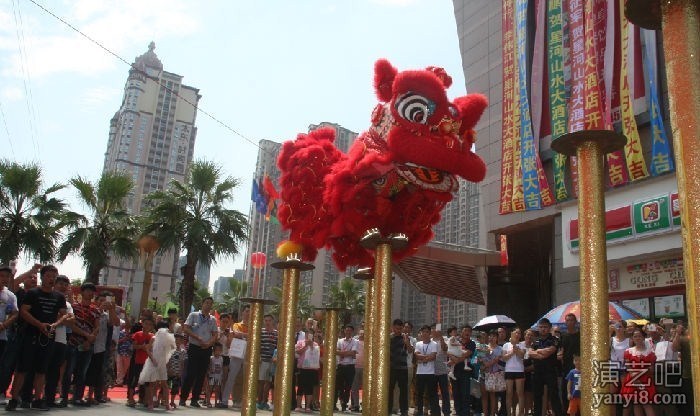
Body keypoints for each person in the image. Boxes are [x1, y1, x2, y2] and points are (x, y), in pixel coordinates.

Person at [5, 265, 66, 411]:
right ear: (43, 276)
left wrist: (54, 324)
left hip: (47, 338)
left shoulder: (59, 297)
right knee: (23, 369)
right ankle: (14, 399)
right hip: (30, 336)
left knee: (42, 370)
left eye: (54, 276)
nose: (52, 279)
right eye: (49, 276)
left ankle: (38, 399)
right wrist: (39, 324)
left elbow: (64, 314)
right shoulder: (33, 293)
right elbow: (24, 312)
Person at [180, 296, 218, 408]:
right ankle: (183, 398)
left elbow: (215, 334)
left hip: (206, 349)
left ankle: (195, 399)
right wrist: (197, 337)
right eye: (206, 303)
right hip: (194, 347)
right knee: (190, 373)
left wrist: (209, 343)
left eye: (210, 303)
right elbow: (186, 328)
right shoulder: (194, 315)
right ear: (202, 303)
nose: (208, 305)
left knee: (201, 375)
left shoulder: (212, 319)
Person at [43, 275, 73, 407]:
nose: (63, 286)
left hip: (61, 341)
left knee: (55, 371)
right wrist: (62, 317)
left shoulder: (68, 305)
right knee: (41, 369)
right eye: (60, 283)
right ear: (54, 284)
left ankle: (49, 398)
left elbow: (71, 322)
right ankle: (35, 396)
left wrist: (60, 318)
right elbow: (49, 316)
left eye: (65, 284)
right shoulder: (47, 298)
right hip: (45, 338)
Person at [138, 320, 175, 410]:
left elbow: (171, 350)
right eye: (165, 328)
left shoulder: (168, 339)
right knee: (152, 384)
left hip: (162, 363)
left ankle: (166, 404)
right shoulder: (154, 338)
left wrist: (167, 362)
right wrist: (153, 359)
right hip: (153, 363)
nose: (166, 330)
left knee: (165, 384)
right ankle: (151, 403)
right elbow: (148, 349)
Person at [529, 318, 563, 416]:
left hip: (550, 371)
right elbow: (530, 353)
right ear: (538, 328)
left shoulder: (554, 339)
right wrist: (541, 353)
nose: (543, 329)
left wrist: (538, 351)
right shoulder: (535, 340)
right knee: (537, 396)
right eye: (541, 327)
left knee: (554, 396)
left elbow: (550, 352)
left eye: (545, 327)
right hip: (537, 372)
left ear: (549, 328)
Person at [621, 328, 656, 416]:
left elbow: (651, 368)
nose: (637, 338)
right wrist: (634, 376)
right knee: (636, 404)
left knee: (646, 404)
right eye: (635, 336)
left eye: (639, 336)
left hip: (645, 379)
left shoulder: (650, 352)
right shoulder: (628, 351)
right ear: (632, 338)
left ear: (644, 337)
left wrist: (640, 373)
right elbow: (628, 366)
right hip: (632, 378)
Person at [222, 304, 249, 409]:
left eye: (250, 311)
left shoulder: (253, 325)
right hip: (237, 353)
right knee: (231, 377)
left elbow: (243, 334)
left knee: (246, 379)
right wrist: (246, 335)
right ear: (242, 312)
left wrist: (242, 335)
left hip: (248, 354)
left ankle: (243, 401)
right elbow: (236, 333)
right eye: (246, 311)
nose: (248, 313)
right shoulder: (237, 324)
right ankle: (225, 400)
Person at [126, 317, 154, 407]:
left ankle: (146, 399)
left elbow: (152, 348)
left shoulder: (152, 336)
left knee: (147, 382)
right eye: (146, 324)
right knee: (134, 380)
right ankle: (130, 398)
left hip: (147, 363)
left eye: (150, 324)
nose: (148, 326)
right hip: (138, 362)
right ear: (142, 324)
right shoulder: (137, 334)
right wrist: (142, 347)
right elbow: (134, 346)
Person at [450, 325, 475, 416]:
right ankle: (458, 411)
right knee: (456, 392)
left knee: (465, 393)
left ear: (471, 333)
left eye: (469, 331)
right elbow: (449, 351)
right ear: (461, 332)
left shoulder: (472, 343)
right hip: (455, 371)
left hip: (466, 372)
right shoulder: (456, 341)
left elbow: (467, 354)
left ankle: (465, 413)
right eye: (465, 331)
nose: (467, 332)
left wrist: (456, 360)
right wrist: (453, 358)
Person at [389, 319, 412, 416]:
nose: (398, 330)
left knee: (404, 390)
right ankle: (388, 409)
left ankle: (404, 411)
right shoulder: (388, 338)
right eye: (396, 328)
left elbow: (410, 351)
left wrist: (407, 342)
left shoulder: (405, 338)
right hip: (391, 368)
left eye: (400, 328)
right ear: (393, 327)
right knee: (390, 389)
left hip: (403, 368)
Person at [295, 327, 321, 413]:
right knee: (300, 387)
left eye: (310, 333)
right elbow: (298, 352)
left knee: (310, 387)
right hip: (302, 368)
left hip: (312, 368)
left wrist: (311, 346)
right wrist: (306, 346)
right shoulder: (300, 342)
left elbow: (317, 355)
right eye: (307, 333)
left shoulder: (316, 345)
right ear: (305, 334)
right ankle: (298, 406)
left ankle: (308, 406)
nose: (308, 335)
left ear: (312, 335)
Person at [558, 313, 580, 412]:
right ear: (565, 322)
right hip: (566, 367)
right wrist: (560, 355)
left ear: (575, 322)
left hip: (579, 367)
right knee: (565, 391)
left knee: (578, 391)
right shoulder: (563, 336)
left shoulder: (580, 335)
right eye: (568, 320)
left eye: (572, 320)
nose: (570, 322)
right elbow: (561, 350)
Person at [481, 330, 505, 416]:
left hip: (495, 375)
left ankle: (492, 414)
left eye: (494, 336)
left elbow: (503, 363)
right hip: (484, 374)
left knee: (493, 395)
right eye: (490, 336)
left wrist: (492, 362)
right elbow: (479, 359)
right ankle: (485, 414)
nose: (491, 338)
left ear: (497, 338)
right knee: (484, 395)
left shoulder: (501, 349)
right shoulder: (483, 347)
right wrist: (484, 363)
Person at [671, 322, 693, 416]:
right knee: (691, 401)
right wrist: (677, 334)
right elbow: (674, 348)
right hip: (688, 374)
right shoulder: (684, 336)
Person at [336, 324, 358, 412]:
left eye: (350, 330)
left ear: (352, 332)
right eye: (346, 330)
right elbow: (336, 351)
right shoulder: (340, 341)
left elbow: (353, 353)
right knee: (340, 386)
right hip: (341, 366)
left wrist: (342, 353)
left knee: (348, 386)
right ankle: (342, 400)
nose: (348, 332)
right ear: (344, 331)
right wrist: (346, 353)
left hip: (350, 367)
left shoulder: (355, 341)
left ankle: (345, 403)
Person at [503, 327, 525, 416]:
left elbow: (521, 356)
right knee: (509, 393)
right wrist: (512, 351)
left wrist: (515, 345)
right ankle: (509, 413)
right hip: (509, 370)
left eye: (519, 333)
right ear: (512, 334)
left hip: (519, 370)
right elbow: (504, 358)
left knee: (520, 393)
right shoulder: (506, 345)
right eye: (516, 332)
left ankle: (520, 413)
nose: (517, 334)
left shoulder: (522, 345)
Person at [258, 314, 277, 410]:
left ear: (272, 321)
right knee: (260, 382)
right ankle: (259, 401)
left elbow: (277, 347)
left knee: (268, 382)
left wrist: (275, 359)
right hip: (262, 360)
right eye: (266, 320)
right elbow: (258, 345)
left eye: (269, 320)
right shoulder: (261, 332)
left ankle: (264, 401)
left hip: (272, 361)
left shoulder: (276, 333)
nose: (267, 322)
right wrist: (259, 357)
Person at [432, 326, 451, 416]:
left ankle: (446, 411)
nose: (435, 331)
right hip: (432, 371)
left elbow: (445, 349)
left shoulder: (444, 339)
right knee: (434, 393)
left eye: (437, 330)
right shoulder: (430, 341)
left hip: (443, 371)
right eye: (433, 330)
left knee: (445, 392)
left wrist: (441, 339)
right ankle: (436, 411)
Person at [167, 333, 186, 409]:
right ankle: (161, 400)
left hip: (177, 373)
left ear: (181, 341)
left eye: (179, 340)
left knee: (175, 388)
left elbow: (182, 363)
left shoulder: (183, 351)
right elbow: (167, 360)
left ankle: (172, 401)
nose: (177, 341)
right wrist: (168, 369)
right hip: (169, 372)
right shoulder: (170, 350)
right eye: (175, 340)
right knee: (166, 387)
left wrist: (181, 372)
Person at [204, 343, 224, 408]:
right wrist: (209, 371)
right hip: (212, 376)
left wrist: (222, 375)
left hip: (218, 376)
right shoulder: (211, 358)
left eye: (219, 350)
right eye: (216, 350)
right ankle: (208, 401)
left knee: (217, 390)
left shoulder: (221, 358)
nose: (218, 352)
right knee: (210, 389)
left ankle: (216, 402)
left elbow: (222, 367)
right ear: (213, 351)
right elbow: (209, 366)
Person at [350, 329, 364, 412]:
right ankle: (356, 405)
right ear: (358, 334)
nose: (362, 335)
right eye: (361, 333)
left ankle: (364, 405)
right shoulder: (355, 342)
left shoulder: (369, 343)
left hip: (365, 368)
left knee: (365, 388)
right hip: (355, 367)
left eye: (364, 334)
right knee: (354, 387)